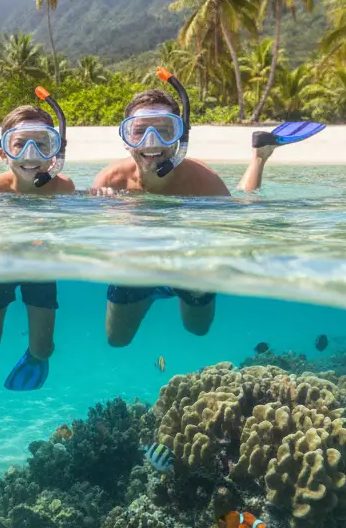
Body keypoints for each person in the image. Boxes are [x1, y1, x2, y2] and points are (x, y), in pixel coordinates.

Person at [91, 68, 276, 347]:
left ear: (180, 137)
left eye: (164, 131)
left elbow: (241, 221)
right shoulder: (110, 180)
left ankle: (259, 158)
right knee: (116, 339)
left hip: (191, 265)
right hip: (137, 265)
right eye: (139, 132)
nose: (151, 142)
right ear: (126, 140)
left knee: (197, 329)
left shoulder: (203, 181)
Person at [0, 90, 74, 428]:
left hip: (41, 271)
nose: (31, 155)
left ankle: (33, 357)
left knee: (44, 350)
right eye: (20, 144)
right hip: (0, 271)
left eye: (42, 144)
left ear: (56, 152)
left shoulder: (63, 188)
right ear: (3, 152)